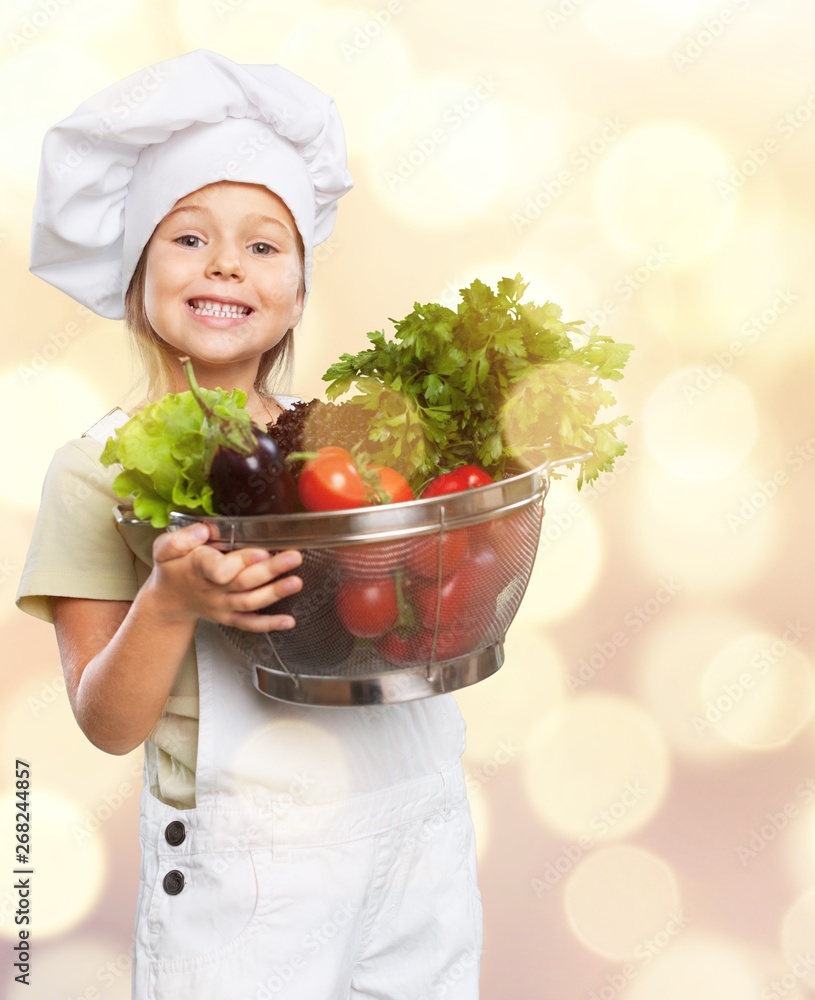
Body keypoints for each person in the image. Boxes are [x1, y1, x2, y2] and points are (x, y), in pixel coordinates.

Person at [17, 50, 482, 999]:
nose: (227, 262)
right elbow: (106, 723)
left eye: (265, 245)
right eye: (188, 237)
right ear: (135, 266)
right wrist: (171, 598)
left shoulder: (351, 447)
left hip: (418, 834)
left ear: (299, 292)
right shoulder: (92, 468)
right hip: (252, 867)